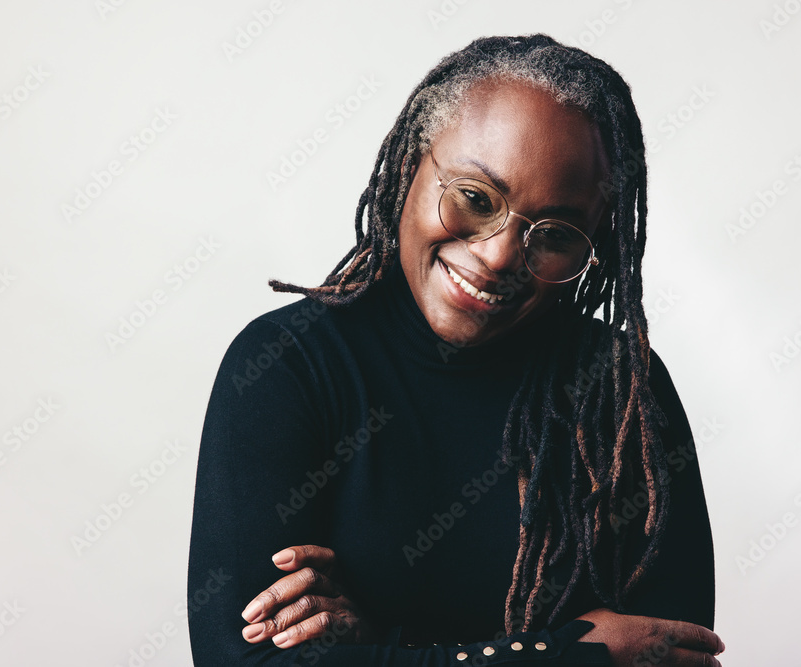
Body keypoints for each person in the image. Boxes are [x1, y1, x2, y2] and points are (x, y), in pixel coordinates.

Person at [187, 34, 725, 666]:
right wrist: (567, 653)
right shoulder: (288, 365)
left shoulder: (620, 392)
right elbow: (240, 661)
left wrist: (379, 647)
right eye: (475, 197)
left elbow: (672, 655)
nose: (498, 256)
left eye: (553, 234)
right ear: (414, 161)